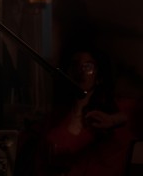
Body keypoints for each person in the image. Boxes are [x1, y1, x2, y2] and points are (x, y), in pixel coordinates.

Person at [17, 45, 135, 176]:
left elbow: (134, 112)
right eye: (75, 65)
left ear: (99, 76)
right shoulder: (56, 117)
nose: (81, 71)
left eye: (88, 66)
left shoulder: (114, 110)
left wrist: (114, 120)